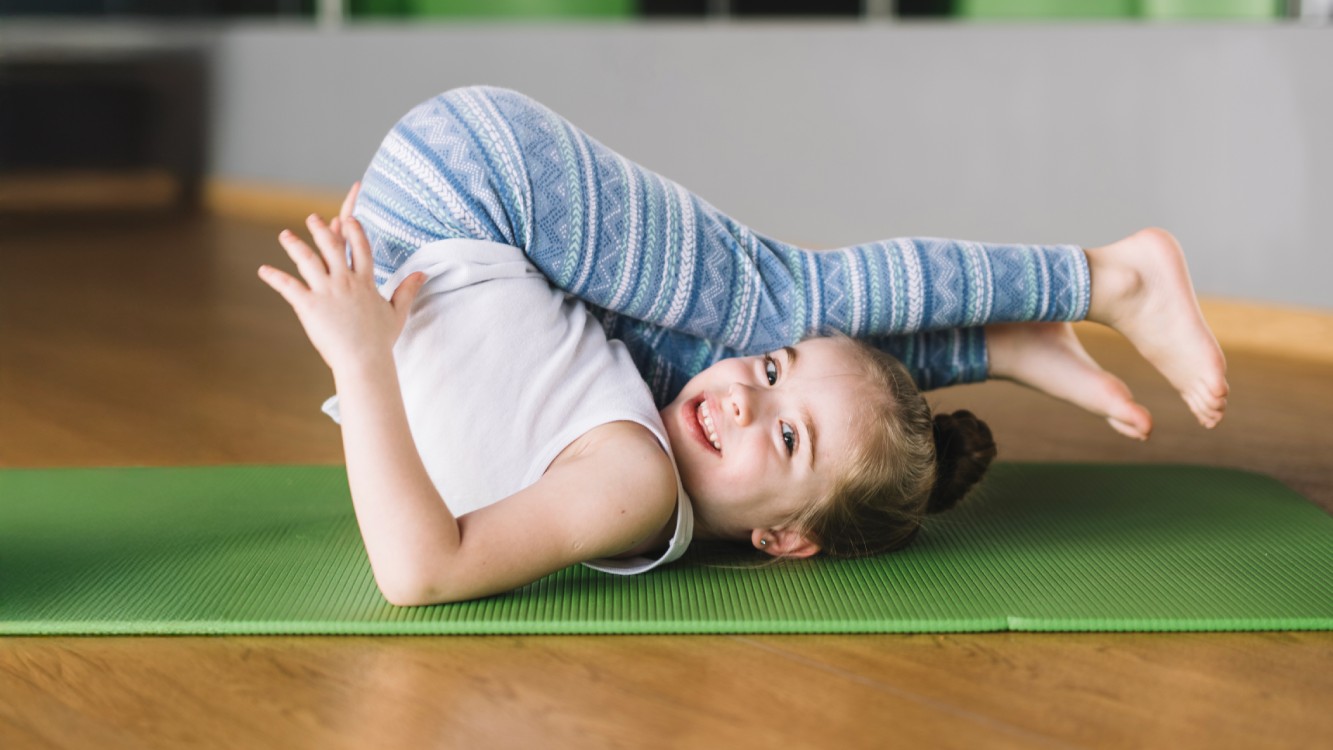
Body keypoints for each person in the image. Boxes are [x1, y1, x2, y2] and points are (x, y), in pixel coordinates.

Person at [258, 86, 1228, 606]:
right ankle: (1105, 278)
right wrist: (363, 356)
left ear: (785, 538)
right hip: (479, 185)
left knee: (762, 347)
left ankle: (998, 341)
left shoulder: (637, 468)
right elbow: (423, 566)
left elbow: (420, 570)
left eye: (788, 439)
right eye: (769, 377)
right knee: (783, 307)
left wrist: (361, 358)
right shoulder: (636, 469)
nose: (745, 398)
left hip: (423, 239)